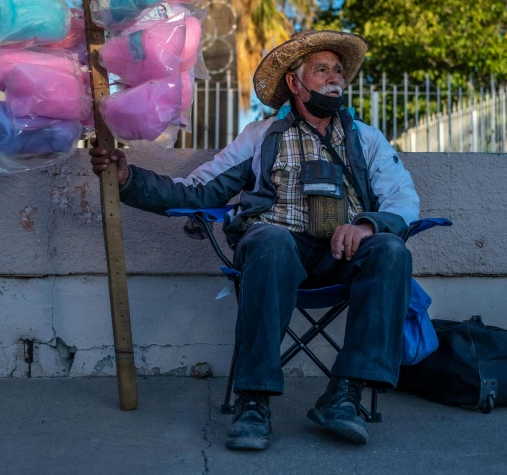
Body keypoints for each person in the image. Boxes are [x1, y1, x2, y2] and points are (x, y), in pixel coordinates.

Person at [89, 30, 420, 451]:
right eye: (321, 70)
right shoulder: (260, 136)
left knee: (390, 249)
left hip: (343, 255)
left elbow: (404, 200)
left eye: (338, 70)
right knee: (270, 241)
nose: (335, 77)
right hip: (277, 254)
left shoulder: (366, 139)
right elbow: (198, 191)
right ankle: (253, 402)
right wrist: (129, 180)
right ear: (295, 84)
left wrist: (368, 226)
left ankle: (345, 395)